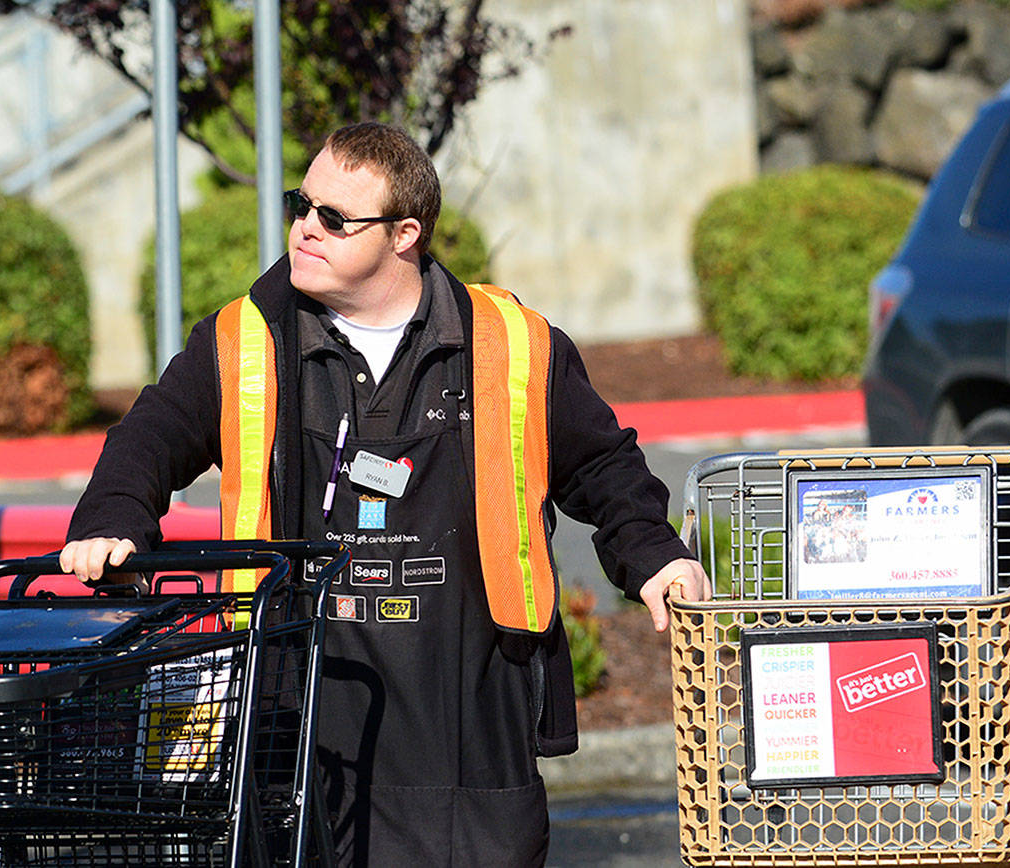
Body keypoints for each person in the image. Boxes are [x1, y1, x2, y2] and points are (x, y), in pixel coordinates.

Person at [63, 121, 711, 866]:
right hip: (306, 718)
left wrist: (655, 555)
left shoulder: (512, 343)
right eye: (300, 205)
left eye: (334, 218)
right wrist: (113, 516)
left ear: (405, 234)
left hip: (473, 718)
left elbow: (601, 465)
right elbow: (152, 433)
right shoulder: (246, 339)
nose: (306, 227)